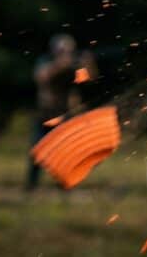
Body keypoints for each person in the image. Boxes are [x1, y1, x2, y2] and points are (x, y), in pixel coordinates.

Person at [25, 34, 96, 190]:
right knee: (37, 150)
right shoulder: (45, 62)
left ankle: (64, 184)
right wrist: (60, 64)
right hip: (47, 114)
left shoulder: (73, 66)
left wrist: (86, 64)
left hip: (66, 115)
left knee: (66, 153)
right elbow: (41, 77)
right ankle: (31, 185)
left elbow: (86, 80)